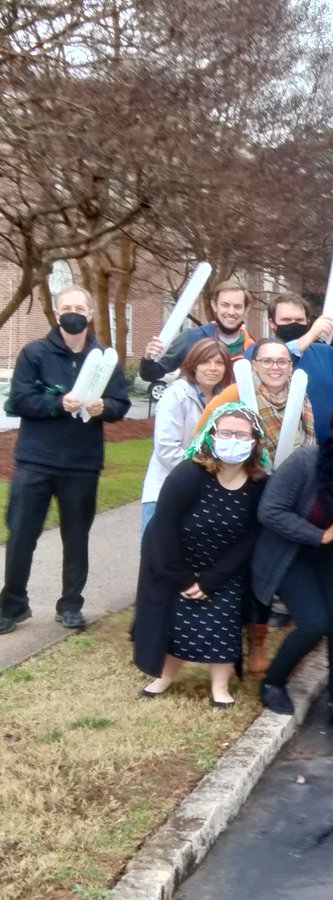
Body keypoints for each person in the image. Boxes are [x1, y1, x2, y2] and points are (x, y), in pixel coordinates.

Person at [1, 285, 131, 636]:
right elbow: (18, 401)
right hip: (35, 461)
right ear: (57, 314)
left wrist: (105, 407)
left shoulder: (104, 359)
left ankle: (71, 605)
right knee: (21, 535)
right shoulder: (35, 353)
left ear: (90, 314)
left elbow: (121, 403)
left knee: (76, 538)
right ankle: (12, 605)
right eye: (67, 308)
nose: (73, 313)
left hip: (82, 463)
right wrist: (57, 404)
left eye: (80, 308)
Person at [252, 400, 333, 731]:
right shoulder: (305, 461)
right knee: (313, 623)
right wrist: (319, 534)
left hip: (332, 558)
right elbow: (270, 510)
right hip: (290, 554)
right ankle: (272, 682)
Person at [133, 403, 268, 706]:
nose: (233, 439)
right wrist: (182, 578)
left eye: (242, 435)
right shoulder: (188, 474)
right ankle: (164, 676)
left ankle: (220, 687)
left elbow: (251, 536)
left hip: (224, 566)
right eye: (226, 433)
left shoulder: (259, 483)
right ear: (211, 435)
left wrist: (212, 580)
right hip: (177, 559)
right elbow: (164, 526)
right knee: (175, 622)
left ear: (254, 441)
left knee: (224, 621)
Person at [141, 338, 231, 535]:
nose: (212, 368)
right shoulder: (176, 395)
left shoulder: (224, 399)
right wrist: (207, 470)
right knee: (158, 552)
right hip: (166, 492)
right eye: (205, 361)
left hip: (204, 495)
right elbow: (166, 450)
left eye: (219, 362)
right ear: (193, 364)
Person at [256, 292, 333, 440]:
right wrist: (311, 335)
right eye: (286, 320)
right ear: (272, 323)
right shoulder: (258, 352)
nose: (293, 324)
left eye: (299, 320)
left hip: (327, 447)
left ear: (307, 322)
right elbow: (280, 356)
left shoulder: (326, 352)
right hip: (279, 448)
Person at [199, 337, 315, 464]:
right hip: (246, 470)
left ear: (290, 366)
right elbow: (200, 432)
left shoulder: (300, 394)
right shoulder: (237, 392)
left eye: (282, 362)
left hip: (296, 470)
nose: (275, 367)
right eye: (267, 361)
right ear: (254, 365)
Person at [140, 278, 256, 383]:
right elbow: (150, 374)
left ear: (246, 309)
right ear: (214, 305)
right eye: (225, 305)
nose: (231, 312)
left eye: (237, 307)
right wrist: (148, 358)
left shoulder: (253, 349)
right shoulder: (191, 337)